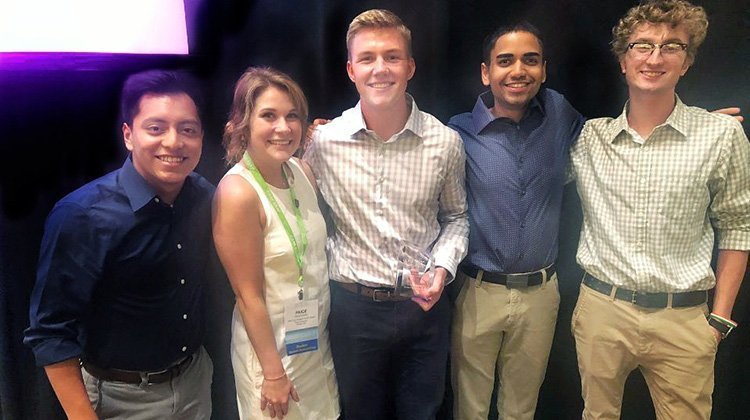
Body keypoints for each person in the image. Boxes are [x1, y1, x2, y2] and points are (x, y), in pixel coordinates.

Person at [569, 1, 750, 418]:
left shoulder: (721, 137)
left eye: (671, 47)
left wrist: (720, 319)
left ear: (686, 62)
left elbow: (738, 227)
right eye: (642, 46)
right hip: (602, 312)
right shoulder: (589, 139)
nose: (654, 58)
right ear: (623, 59)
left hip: (683, 318)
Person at [304, 9, 469, 420]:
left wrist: (443, 270)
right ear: (350, 69)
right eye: (368, 58)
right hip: (352, 309)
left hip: (424, 309)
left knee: (422, 413)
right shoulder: (324, 142)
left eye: (392, 57)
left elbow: (457, 218)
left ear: (410, 66)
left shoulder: (444, 142)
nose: (381, 68)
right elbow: (299, 211)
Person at [24, 70, 216, 419]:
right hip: (119, 397)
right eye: (156, 128)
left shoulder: (204, 196)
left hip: (194, 383)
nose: (173, 142)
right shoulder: (82, 215)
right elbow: (50, 331)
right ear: (129, 135)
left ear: (201, 136)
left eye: (187, 129)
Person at [447, 22, 584, 420]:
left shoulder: (559, 113)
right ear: (486, 72)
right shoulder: (458, 131)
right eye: (505, 61)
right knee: (469, 407)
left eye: (530, 60)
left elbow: (611, 140)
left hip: (542, 294)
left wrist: (695, 127)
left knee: (521, 408)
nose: (518, 71)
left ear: (544, 69)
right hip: (477, 292)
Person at [212, 67, 339, 420]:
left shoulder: (301, 171)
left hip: (312, 344)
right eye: (269, 115)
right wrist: (273, 374)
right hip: (271, 358)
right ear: (243, 123)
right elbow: (247, 295)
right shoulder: (238, 192)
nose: (283, 128)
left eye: (292, 116)